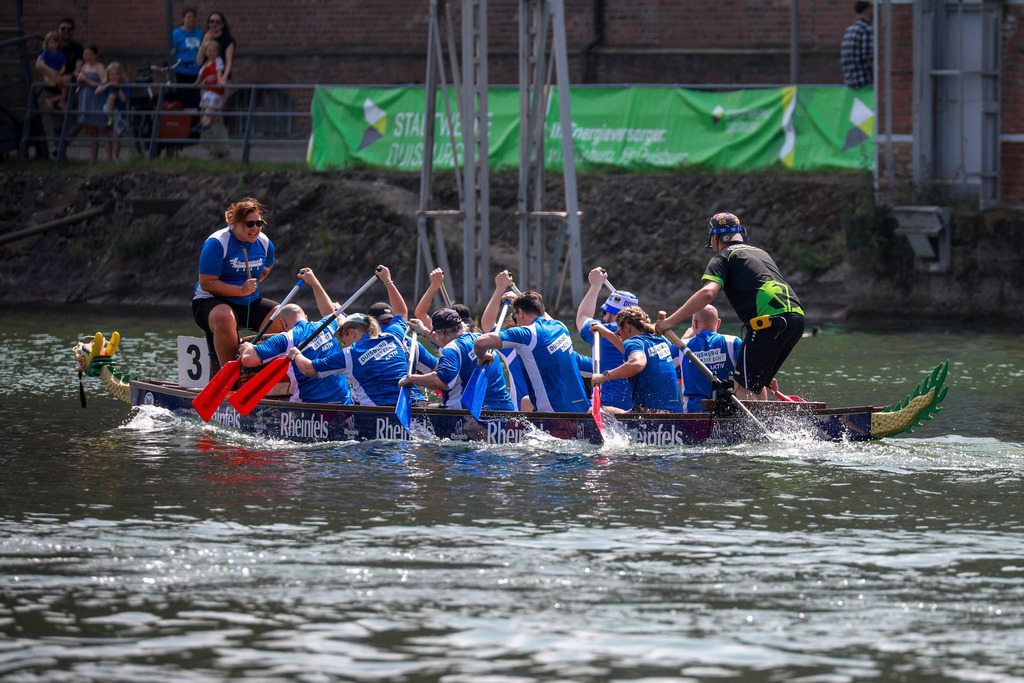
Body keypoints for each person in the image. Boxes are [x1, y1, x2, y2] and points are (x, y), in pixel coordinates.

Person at [655, 212, 805, 401]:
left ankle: (746, 430)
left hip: (769, 323)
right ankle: (768, 423)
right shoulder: (761, 253)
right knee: (758, 382)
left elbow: (708, 293)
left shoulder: (722, 257)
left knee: (742, 384)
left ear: (715, 237)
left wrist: (670, 322)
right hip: (796, 319)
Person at [289, 266, 421, 408]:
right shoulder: (392, 336)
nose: (344, 344)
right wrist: (388, 280)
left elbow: (309, 369)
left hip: (381, 412)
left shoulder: (349, 354)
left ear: (351, 333)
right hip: (415, 403)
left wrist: (296, 354)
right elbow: (401, 312)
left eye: (343, 339)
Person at [238, 269, 352, 405]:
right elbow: (331, 313)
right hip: (344, 401)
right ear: (306, 318)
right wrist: (314, 282)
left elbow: (249, 360)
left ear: (283, 323)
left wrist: (247, 348)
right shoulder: (325, 326)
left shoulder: (285, 338)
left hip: (308, 405)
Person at [192, 197, 280, 373]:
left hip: (247, 302)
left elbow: (266, 267)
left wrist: (250, 287)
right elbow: (207, 283)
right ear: (236, 223)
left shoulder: (264, 243)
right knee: (225, 316)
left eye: (259, 223)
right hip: (210, 302)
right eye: (249, 224)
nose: (255, 228)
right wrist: (240, 290)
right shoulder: (217, 243)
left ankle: (276, 375)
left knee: (285, 316)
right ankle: (230, 376)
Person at [473, 289, 589, 413]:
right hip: (579, 411)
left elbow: (480, 342)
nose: (516, 321)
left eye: (515, 316)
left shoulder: (526, 335)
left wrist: (482, 356)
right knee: (526, 401)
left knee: (526, 402)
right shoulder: (560, 327)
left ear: (521, 313)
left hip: (550, 416)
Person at [399, 308, 514, 412]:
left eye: (436, 334)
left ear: (440, 333)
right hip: (504, 409)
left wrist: (411, 379)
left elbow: (441, 381)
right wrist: (423, 331)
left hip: (467, 416)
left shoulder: (451, 350)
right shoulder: (480, 339)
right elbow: (453, 345)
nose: (435, 337)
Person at [591, 306, 683, 414]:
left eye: (618, 332)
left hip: (650, 414)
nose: (619, 336)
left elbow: (637, 364)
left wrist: (605, 376)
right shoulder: (662, 341)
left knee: (593, 411)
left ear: (627, 327)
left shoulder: (633, 342)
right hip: (676, 413)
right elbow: (633, 352)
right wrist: (606, 333)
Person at [575, 267, 638, 412]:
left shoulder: (600, 331)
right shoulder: (648, 336)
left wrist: (595, 286)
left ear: (613, 314)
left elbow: (582, 316)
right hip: (636, 406)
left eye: (605, 312)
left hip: (607, 406)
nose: (603, 317)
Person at [671, 304, 743, 413]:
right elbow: (750, 371)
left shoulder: (681, 347)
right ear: (718, 323)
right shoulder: (733, 342)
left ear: (694, 323)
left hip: (694, 413)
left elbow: (664, 372)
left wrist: (683, 340)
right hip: (728, 411)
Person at [198, 11, 235, 159]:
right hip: (207, 83)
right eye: (211, 21)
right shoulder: (207, 38)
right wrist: (204, 42)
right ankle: (218, 150)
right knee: (209, 115)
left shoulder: (227, 40)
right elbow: (199, 61)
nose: (213, 24)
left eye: (217, 21)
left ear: (223, 24)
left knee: (213, 114)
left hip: (219, 83)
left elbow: (229, 62)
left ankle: (220, 151)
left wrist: (223, 78)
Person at [74, 45, 107, 164]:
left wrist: (87, 80)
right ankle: (93, 159)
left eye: (90, 54)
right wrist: (79, 78)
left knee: (103, 129)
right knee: (92, 131)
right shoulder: (84, 66)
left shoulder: (99, 67)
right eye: (85, 54)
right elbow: (79, 78)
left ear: (96, 55)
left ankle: (109, 159)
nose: (88, 57)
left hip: (96, 98)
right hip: (86, 98)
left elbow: (103, 83)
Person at [170, 7, 204, 109]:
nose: (192, 19)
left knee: (196, 100)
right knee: (184, 98)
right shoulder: (176, 34)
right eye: (189, 17)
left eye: (194, 17)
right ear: (183, 19)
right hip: (182, 71)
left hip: (197, 72)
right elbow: (172, 51)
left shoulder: (199, 33)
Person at [96, 62, 129, 160]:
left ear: (120, 75)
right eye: (111, 75)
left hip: (119, 112)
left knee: (117, 135)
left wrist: (119, 89)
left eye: (116, 74)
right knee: (111, 97)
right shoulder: (106, 83)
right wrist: (107, 85)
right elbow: (97, 91)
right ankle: (110, 119)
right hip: (107, 109)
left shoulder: (124, 85)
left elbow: (124, 99)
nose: (113, 77)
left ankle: (116, 157)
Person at [193, 39, 224, 133]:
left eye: (214, 51)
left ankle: (208, 124)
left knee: (211, 106)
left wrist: (219, 80)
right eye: (210, 51)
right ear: (206, 52)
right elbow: (201, 75)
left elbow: (219, 71)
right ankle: (201, 122)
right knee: (203, 106)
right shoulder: (206, 64)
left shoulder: (218, 61)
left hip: (215, 90)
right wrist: (196, 82)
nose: (212, 53)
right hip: (208, 89)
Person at [841, 1, 873, 90]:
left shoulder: (849, 30)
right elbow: (868, 58)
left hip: (850, 83)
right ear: (868, 10)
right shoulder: (866, 29)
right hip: (865, 84)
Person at [56, 18, 84, 87]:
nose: (66, 31)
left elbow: (78, 68)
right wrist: (56, 77)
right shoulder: (49, 45)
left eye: (69, 29)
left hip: (71, 88)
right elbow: (40, 65)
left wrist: (70, 76)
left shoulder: (78, 48)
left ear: (73, 31)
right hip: (51, 87)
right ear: (58, 29)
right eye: (63, 29)